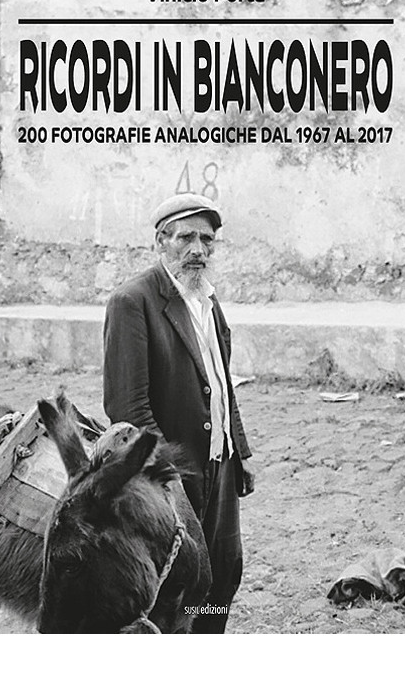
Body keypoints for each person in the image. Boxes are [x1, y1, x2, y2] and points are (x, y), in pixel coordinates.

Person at [103, 192, 255, 633]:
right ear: (160, 242)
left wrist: (240, 451)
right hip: (172, 475)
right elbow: (127, 408)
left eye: (207, 240)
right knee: (177, 585)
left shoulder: (207, 300)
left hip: (219, 465)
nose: (198, 250)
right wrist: (170, 480)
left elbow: (221, 381)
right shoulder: (133, 301)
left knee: (223, 572)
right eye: (186, 237)